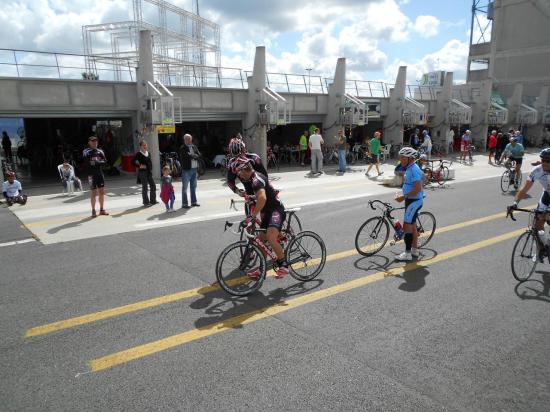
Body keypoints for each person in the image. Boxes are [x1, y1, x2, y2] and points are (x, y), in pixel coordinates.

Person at [232, 157, 290, 278]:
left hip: (276, 210)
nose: (240, 177)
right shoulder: (254, 178)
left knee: (270, 236)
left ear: (245, 170)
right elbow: (261, 195)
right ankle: (261, 270)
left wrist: (252, 216)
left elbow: (262, 198)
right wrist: (252, 197)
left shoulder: (256, 180)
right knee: (260, 240)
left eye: (240, 174)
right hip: (268, 212)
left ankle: (284, 265)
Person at [510, 148, 550, 246]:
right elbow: (524, 189)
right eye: (542, 160)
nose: (544, 163)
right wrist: (515, 203)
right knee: (538, 222)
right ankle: (542, 247)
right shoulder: (537, 170)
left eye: (547, 161)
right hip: (547, 195)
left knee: (548, 216)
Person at [394, 147, 424, 261]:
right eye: (400, 157)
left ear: (409, 158)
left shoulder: (413, 169)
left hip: (413, 201)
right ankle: (415, 250)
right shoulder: (411, 167)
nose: (400, 159)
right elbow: (424, 178)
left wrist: (404, 196)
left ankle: (407, 253)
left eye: (402, 157)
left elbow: (417, 187)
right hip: (413, 200)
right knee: (413, 226)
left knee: (407, 226)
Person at [83, 136, 108, 217]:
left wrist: (95, 162)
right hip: (91, 175)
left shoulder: (100, 151)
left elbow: (105, 162)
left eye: (96, 141)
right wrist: (98, 162)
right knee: (94, 193)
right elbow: (87, 163)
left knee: (101, 192)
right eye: (93, 141)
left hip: (100, 174)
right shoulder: (86, 151)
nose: (95, 143)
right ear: (89, 142)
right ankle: (93, 210)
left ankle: (102, 209)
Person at [179, 133, 201, 209]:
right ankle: (184, 204)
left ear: (191, 139)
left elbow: (199, 155)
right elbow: (187, 157)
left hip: (194, 169)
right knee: (184, 188)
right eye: (187, 139)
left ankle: (194, 202)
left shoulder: (194, 146)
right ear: (184, 140)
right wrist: (194, 156)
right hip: (186, 170)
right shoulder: (182, 148)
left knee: (193, 187)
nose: (188, 140)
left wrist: (194, 156)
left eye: (189, 139)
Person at [133, 140, 157, 206]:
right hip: (142, 173)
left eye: (146, 145)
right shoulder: (138, 154)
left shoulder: (148, 153)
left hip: (149, 172)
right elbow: (132, 161)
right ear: (140, 146)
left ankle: (153, 200)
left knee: (153, 186)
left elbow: (150, 162)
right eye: (143, 145)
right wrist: (139, 166)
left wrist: (150, 169)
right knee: (145, 187)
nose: (145, 146)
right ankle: (146, 202)